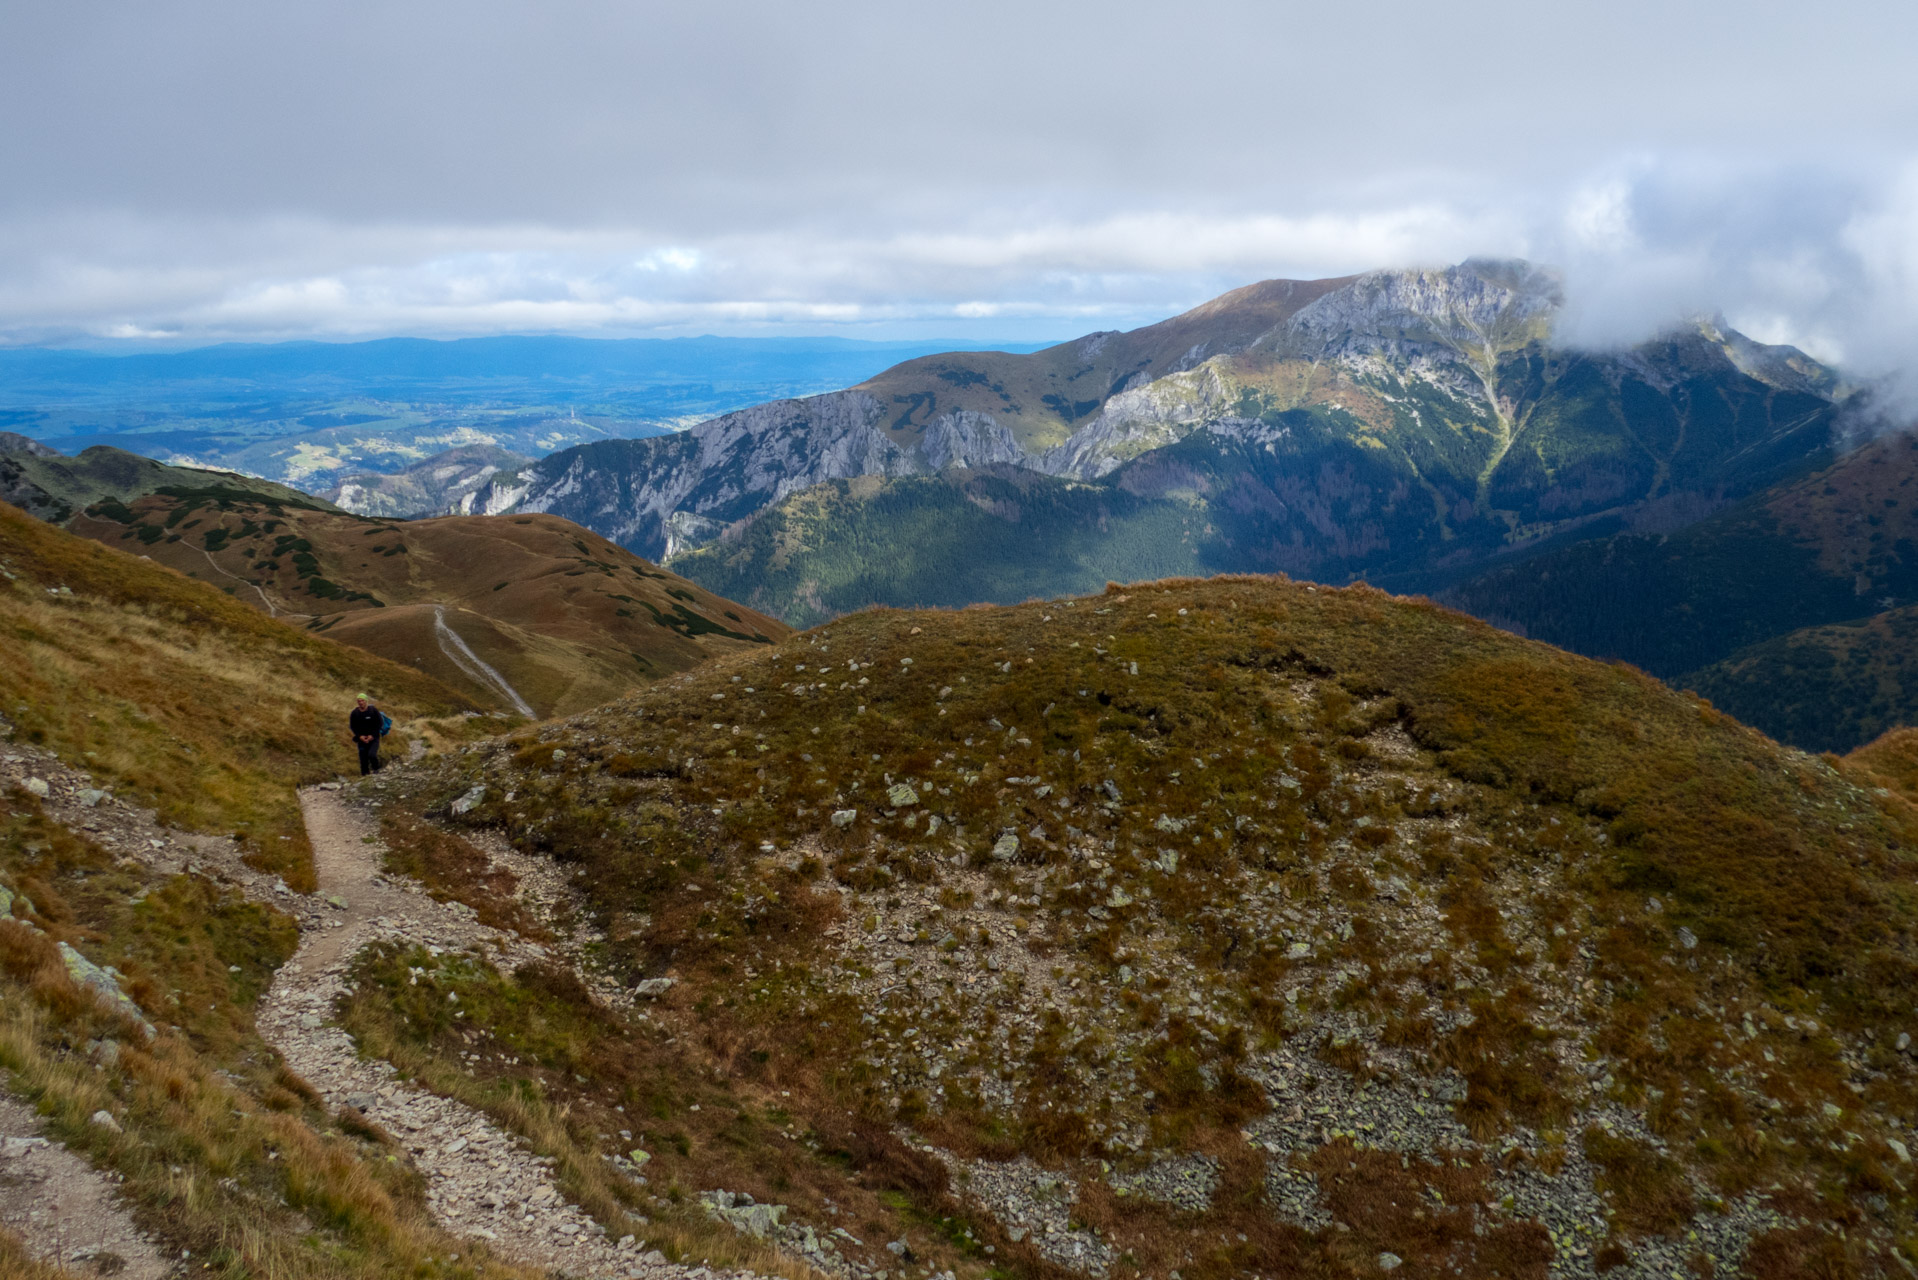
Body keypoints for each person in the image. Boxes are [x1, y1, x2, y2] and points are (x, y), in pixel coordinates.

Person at [348, 693, 385, 776]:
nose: (361, 702)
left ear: (366, 701)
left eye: (362, 700)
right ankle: (365, 776)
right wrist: (360, 736)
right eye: (359, 701)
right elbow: (353, 726)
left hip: (374, 738)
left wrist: (372, 735)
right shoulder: (354, 713)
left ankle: (376, 770)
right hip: (361, 740)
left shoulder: (373, 710)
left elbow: (380, 723)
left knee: (372, 754)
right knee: (363, 760)